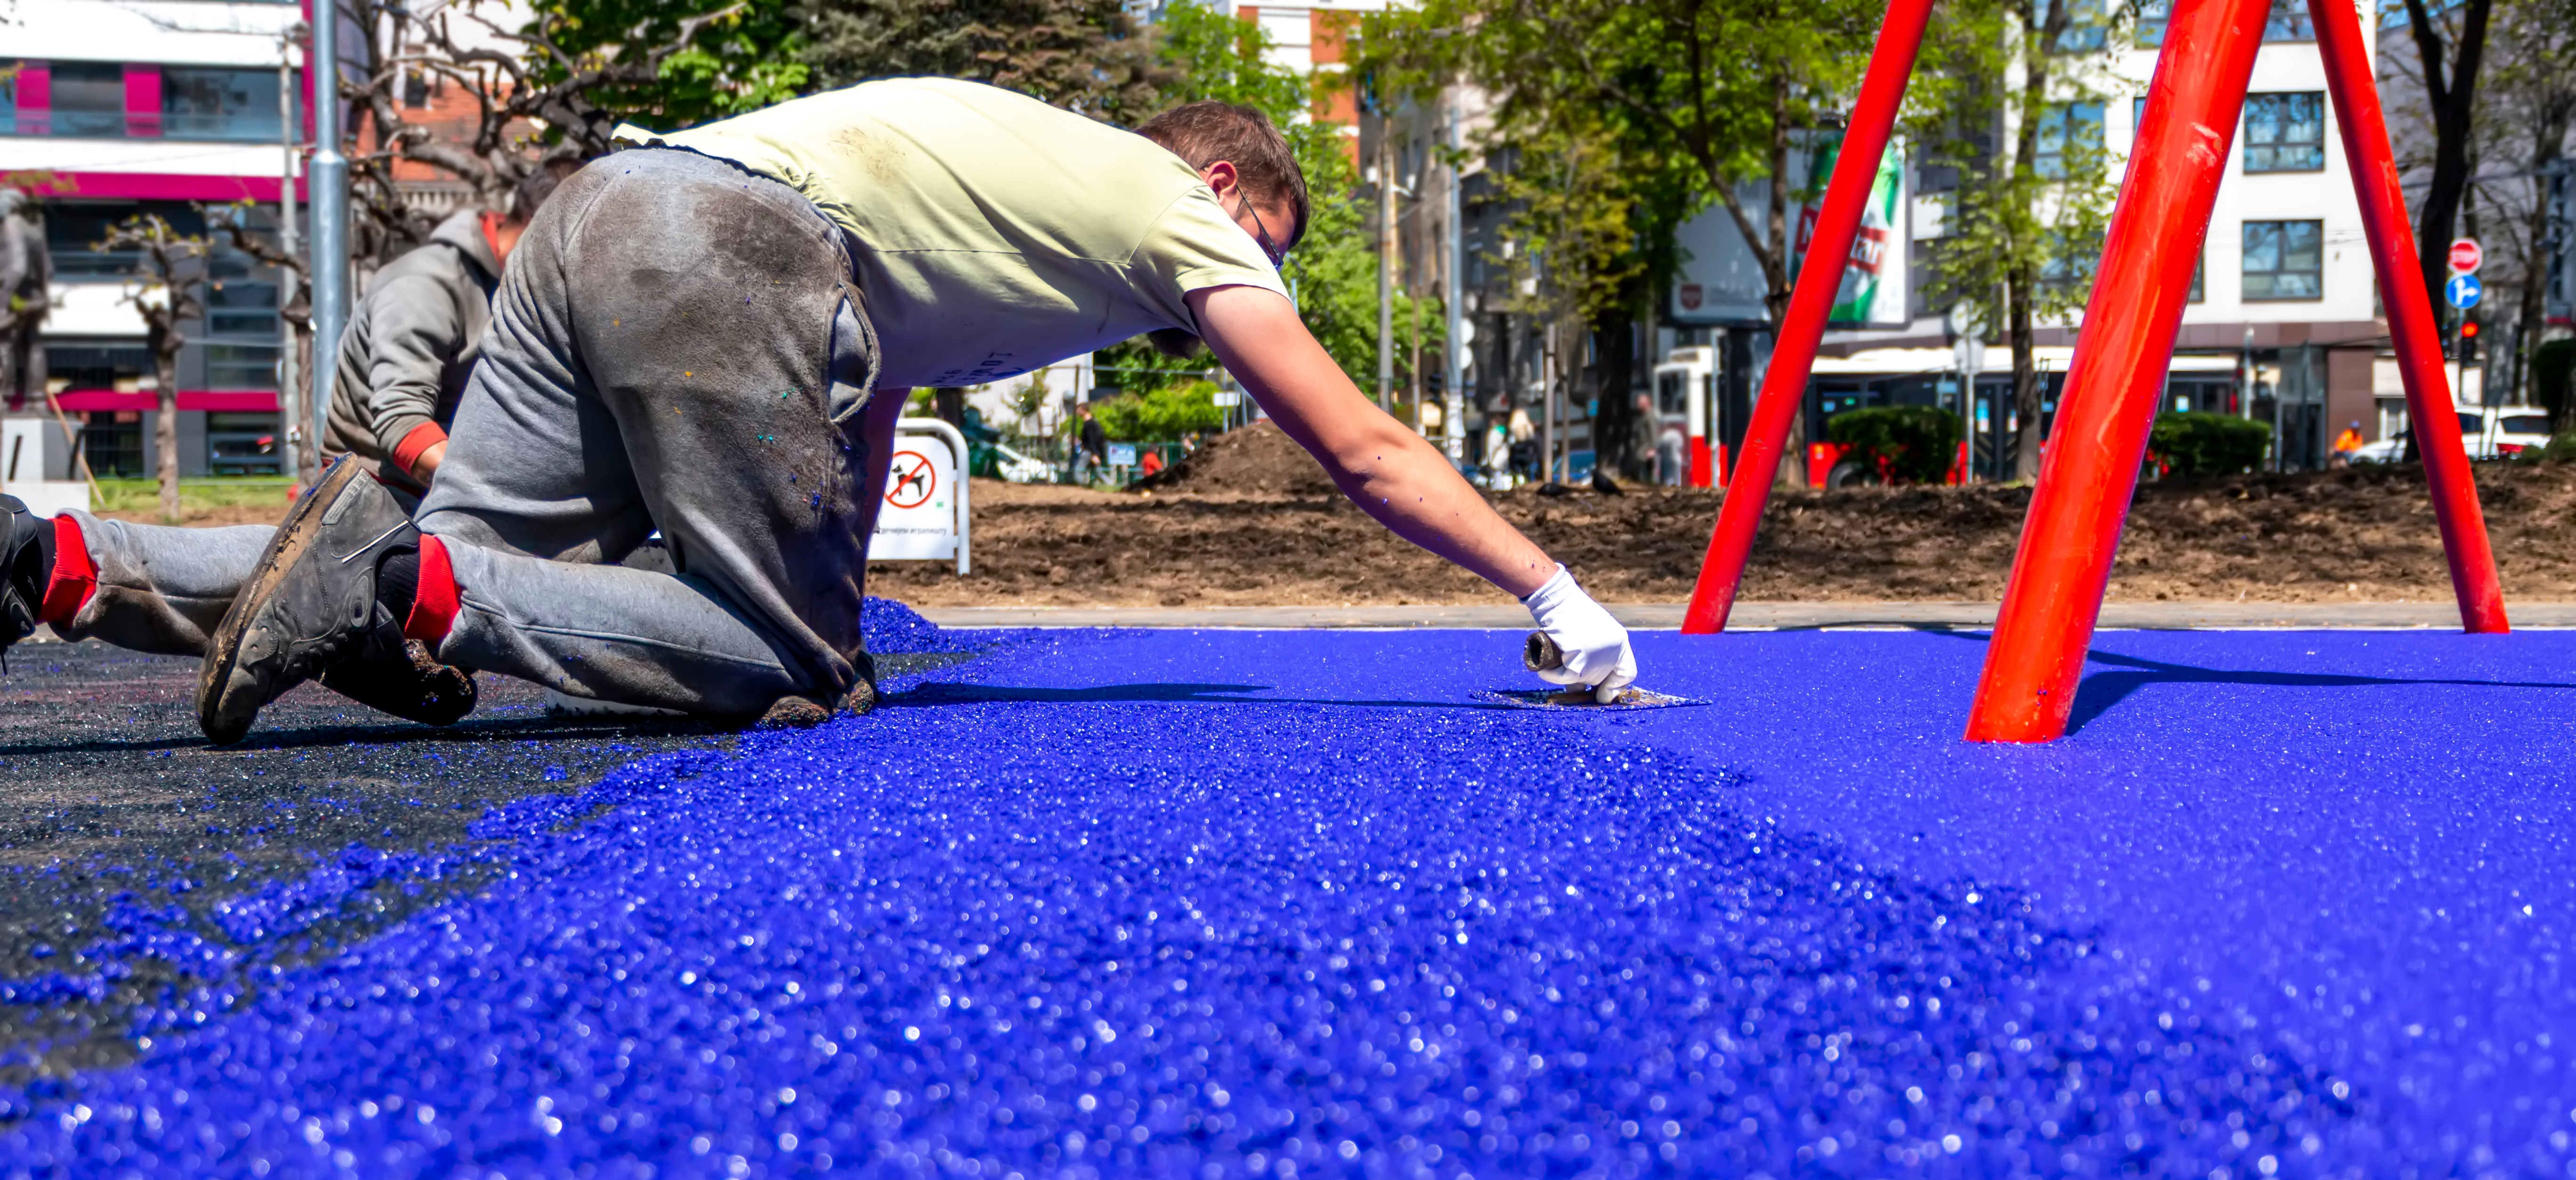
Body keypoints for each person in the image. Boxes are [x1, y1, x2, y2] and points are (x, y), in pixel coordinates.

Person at [14, 82, 1636, 743]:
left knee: (496, 547)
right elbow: (1356, 443)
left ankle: (65, 563)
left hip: (611, 211)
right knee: (786, 671)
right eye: (1258, 254)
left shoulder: (1001, 183)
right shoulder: (1173, 204)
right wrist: (1553, 594)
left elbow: (870, 401)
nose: (1234, 304)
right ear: (1224, 185)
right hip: (731, 255)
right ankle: (423, 590)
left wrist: (841, 581)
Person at [0, 164, 577, 722]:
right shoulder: (428, 285)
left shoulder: (512, 292)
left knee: (320, 594)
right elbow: (400, 422)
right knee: (314, 578)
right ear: (530, 228)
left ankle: (350, 634)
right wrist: (487, 501)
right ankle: (37, 562)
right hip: (379, 504)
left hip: (425, 510)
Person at [1074, 403, 1110, 485]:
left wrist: (1095, 454)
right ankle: (1110, 484)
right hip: (1092, 451)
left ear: (1084, 410)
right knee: (1098, 472)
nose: (1077, 412)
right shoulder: (1093, 423)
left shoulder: (1089, 424)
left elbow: (1092, 440)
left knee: (1078, 471)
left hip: (1089, 452)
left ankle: (1084, 485)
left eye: (1078, 410)